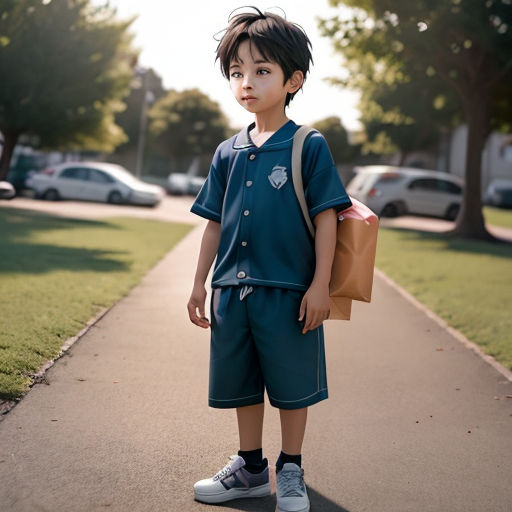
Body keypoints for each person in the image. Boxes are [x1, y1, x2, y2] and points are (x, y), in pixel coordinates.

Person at [187, 7, 352, 512]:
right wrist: (200, 284)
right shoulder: (226, 151)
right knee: (241, 385)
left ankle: (292, 470)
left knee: (292, 387)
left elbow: (328, 218)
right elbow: (214, 221)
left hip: (290, 293)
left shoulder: (309, 145)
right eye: (237, 72)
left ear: (293, 80)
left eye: (261, 71)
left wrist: (320, 284)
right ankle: (251, 469)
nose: (246, 82)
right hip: (233, 292)